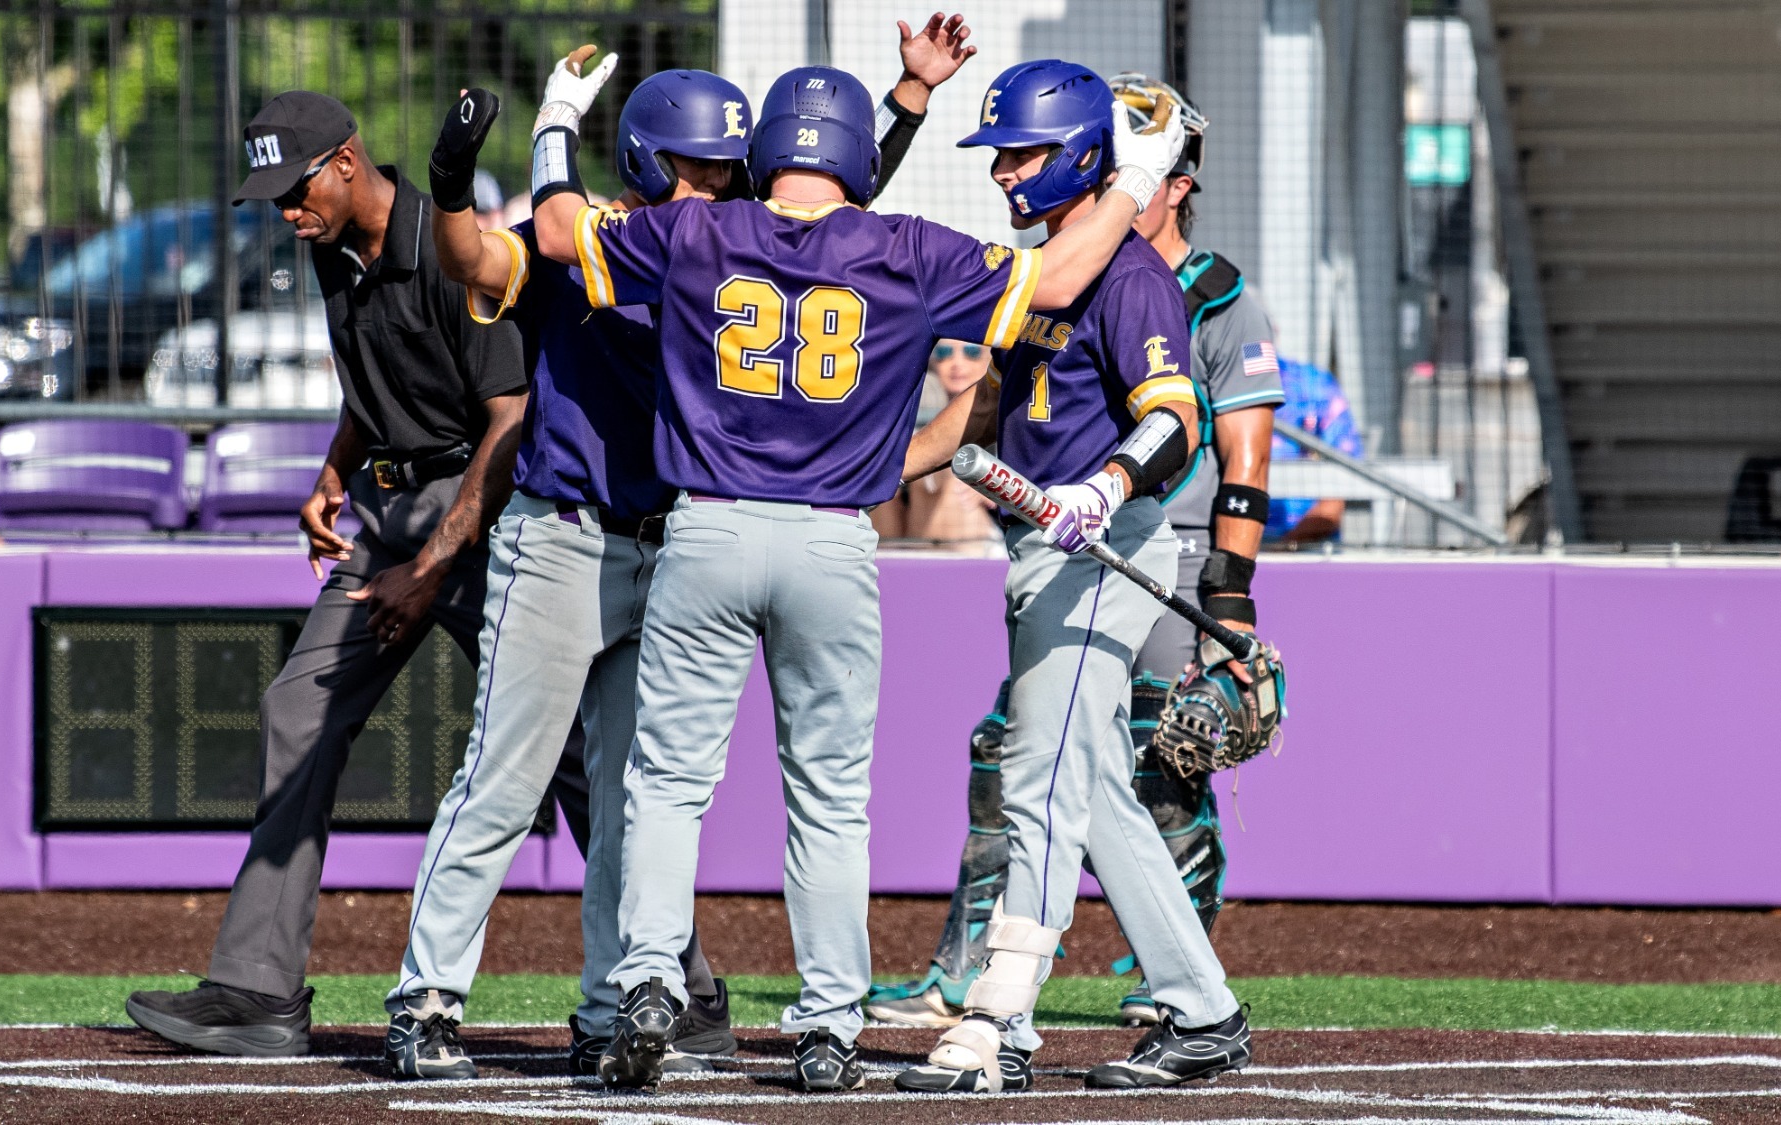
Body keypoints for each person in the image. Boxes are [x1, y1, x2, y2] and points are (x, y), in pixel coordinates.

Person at [527, 51, 1180, 1092]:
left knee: (665, 784)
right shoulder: (906, 248)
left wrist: (555, 122)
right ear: (854, 159)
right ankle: (828, 1021)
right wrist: (1136, 180)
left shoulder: (696, 227)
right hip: (834, 539)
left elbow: (558, 230)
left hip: (705, 528)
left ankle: (647, 974)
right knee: (828, 799)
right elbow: (1057, 278)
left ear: (757, 150)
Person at [383, 14, 980, 1082]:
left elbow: (835, 215)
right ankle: (426, 997)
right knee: (506, 781)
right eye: (700, 168)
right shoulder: (632, 232)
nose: (716, 185)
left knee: (629, 797)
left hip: (676, 549)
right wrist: (452, 175)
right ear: (653, 162)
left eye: (727, 169)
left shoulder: (708, 237)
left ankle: (612, 1005)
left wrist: (901, 105)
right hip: (565, 535)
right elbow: (474, 252)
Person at [865, 72, 1286, 1033]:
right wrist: (865, 471)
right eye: (1002, 155)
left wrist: (1113, 495)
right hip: (1043, 549)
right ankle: (1201, 1003)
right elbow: (977, 412)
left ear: (1090, 160)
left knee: (1043, 768)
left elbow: (1181, 422)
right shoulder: (1041, 262)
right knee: (1088, 785)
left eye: (1025, 154)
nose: (1005, 173)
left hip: (1105, 545)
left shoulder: (1141, 280)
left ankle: (998, 1013)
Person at [123, 90, 527, 1057]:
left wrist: (432, 567)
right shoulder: (328, 243)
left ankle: (677, 989)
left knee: (565, 752)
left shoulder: (449, 240)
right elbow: (377, 383)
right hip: (389, 519)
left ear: (347, 162)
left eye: (293, 187)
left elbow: (510, 420)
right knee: (296, 711)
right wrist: (334, 471)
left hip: (484, 516)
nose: (282, 210)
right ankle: (259, 991)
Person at [873, 340, 1002, 548]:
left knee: (955, 479)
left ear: (991, 359)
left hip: (981, 537)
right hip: (910, 535)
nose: (956, 363)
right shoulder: (917, 416)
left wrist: (996, 491)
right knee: (878, 482)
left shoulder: (1010, 419)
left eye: (971, 352)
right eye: (944, 353)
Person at [1270, 356, 1362, 544]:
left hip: (1306, 549)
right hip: (1220, 544)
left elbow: (1335, 499)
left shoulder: (1313, 383)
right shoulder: (1206, 382)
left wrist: (1285, 546)